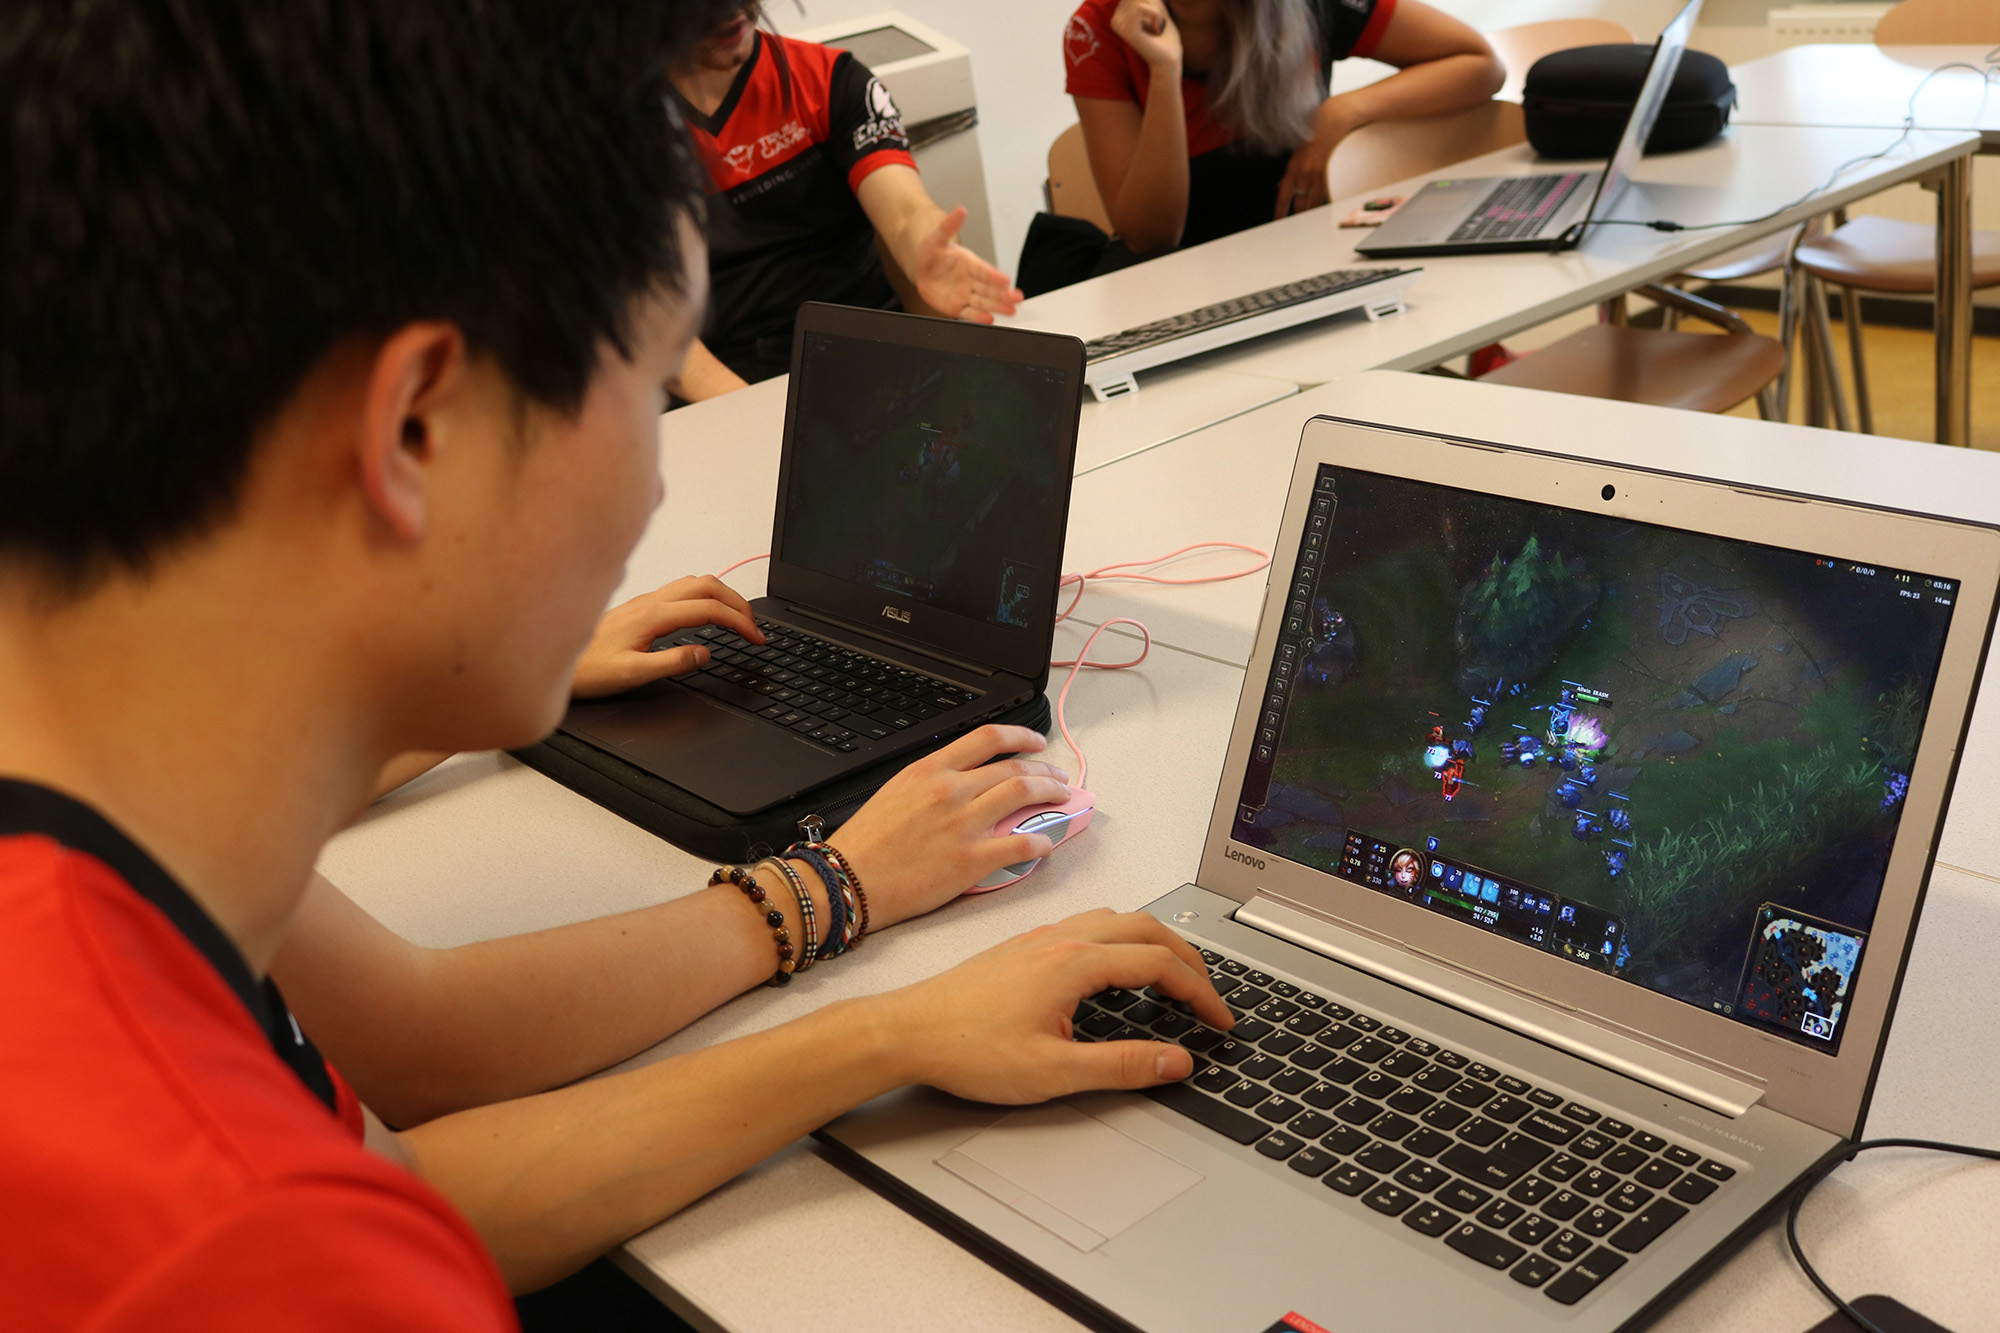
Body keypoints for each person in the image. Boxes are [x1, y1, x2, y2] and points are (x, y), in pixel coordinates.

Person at [0, 4, 1229, 1330]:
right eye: (643, 389)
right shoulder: (242, 1245)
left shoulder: (126, 807)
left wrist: (884, 1018)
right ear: (415, 431)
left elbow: (405, 1100)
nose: (651, 488)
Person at [671, 4, 1024, 399]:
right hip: (721, 384)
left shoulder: (830, 79)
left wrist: (925, 247)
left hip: (868, 356)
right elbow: (653, 328)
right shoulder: (623, 132)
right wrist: (754, 412)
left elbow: (905, 212)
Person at [1065, 0, 1504, 256]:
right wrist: (1165, 71)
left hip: (1309, 249)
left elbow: (1480, 64)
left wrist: (1340, 113)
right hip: (1182, 272)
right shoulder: (1096, 29)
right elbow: (1151, 238)